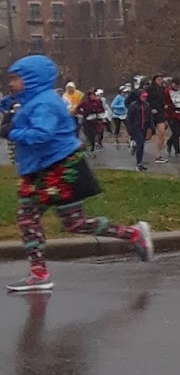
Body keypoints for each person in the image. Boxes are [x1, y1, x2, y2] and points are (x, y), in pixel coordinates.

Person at [3, 55, 153, 293]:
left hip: (59, 169)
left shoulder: (45, 103)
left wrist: (12, 132)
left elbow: (42, 134)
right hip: (44, 169)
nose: (11, 83)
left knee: (39, 219)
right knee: (66, 222)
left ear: (32, 79)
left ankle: (40, 273)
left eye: (16, 78)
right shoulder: (33, 101)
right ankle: (133, 234)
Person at [125, 87, 151, 171]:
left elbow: (149, 118)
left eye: (145, 96)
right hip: (136, 128)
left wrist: (151, 128)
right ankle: (138, 163)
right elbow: (129, 119)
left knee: (141, 145)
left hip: (144, 128)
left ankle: (139, 161)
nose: (144, 97)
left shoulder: (147, 105)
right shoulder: (133, 106)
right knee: (140, 144)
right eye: (143, 96)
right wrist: (130, 130)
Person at [144, 74, 168, 163]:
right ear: (154, 80)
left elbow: (163, 99)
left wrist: (165, 105)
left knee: (161, 133)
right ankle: (136, 142)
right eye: (158, 80)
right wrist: (150, 109)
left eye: (161, 79)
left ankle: (158, 155)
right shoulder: (149, 89)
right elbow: (145, 100)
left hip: (160, 113)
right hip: (150, 114)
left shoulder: (163, 89)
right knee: (148, 136)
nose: (160, 81)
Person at [165, 77, 180, 158]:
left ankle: (169, 142)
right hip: (171, 115)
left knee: (179, 132)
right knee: (175, 132)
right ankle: (177, 151)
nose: (177, 87)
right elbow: (166, 102)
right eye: (175, 85)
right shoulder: (167, 91)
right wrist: (171, 108)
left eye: (178, 86)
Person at [80, 88, 107, 153]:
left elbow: (102, 109)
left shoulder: (97, 101)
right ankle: (89, 145)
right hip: (86, 120)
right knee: (88, 134)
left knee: (94, 133)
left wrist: (97, 112)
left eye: (93, 95)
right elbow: (77, 109)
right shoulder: (85, 102)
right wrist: (83, 113)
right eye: (91, 96)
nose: (93, 97)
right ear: (88, 96)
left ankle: (92, 147)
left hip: (95, 120)